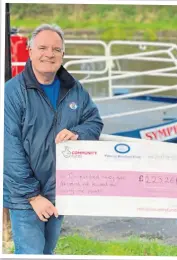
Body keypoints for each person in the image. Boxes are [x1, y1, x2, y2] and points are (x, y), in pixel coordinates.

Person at [4, 24, 104, 255]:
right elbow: (9, 148)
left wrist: (78, 133)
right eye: (42, 47)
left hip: (61, 190)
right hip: (25, 196)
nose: (49, 54)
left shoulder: (75, 89)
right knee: (31, 252)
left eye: (55, 49)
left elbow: (94, 122)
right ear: (29, 50)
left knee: (48, 251)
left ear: (62, 55)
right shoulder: (12, 92)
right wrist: (33, 196)